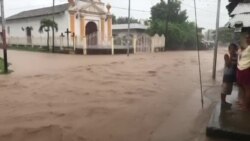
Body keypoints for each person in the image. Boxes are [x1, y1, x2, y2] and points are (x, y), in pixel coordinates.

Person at [221, 43, 238, 107]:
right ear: (229, 49)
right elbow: (228, 65)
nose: (233, 50)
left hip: (232, 75)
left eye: (234, 49)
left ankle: (224, 101)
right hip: (226, 75)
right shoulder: (226, 55)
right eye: (231, 48)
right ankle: (223, 102)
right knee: (224, 89)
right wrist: (231, 55)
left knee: (228, 89)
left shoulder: (236, 56)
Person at [237, 33, 250, 110]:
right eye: (247, 38)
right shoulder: (247, 48)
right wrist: (242, 50)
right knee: (243, 88)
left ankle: (246, 106)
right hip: (241, 69)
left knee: (247, 89)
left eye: (249, 38)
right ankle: (244, 103)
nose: (247, 39)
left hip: (246, 69)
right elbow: (241, 57)